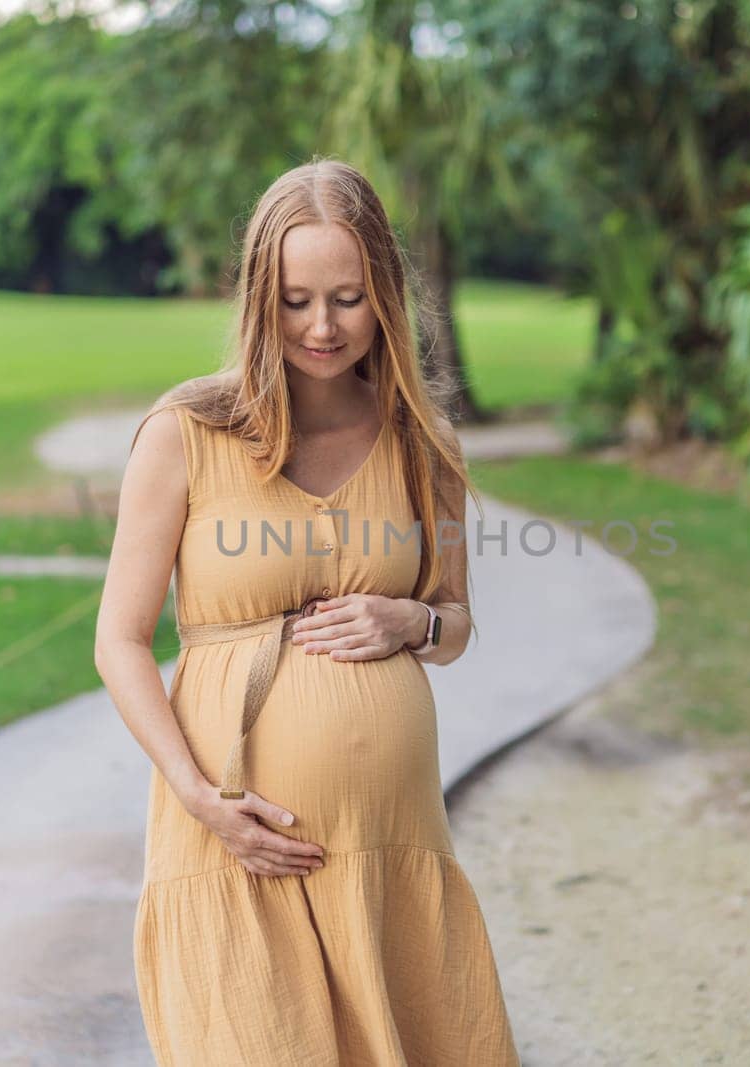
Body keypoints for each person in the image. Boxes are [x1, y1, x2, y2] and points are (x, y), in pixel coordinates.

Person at [93, 159, 520, 1065]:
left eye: (347, 298)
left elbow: (454, 620)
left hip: (391, 849)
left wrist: (413, 623)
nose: (322, 327)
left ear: (386, 299)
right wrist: (198, 796)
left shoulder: (421, 440)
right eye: (295, 300)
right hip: (236, 841)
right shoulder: (185, 435)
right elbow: (120, 641)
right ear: (259, 298)